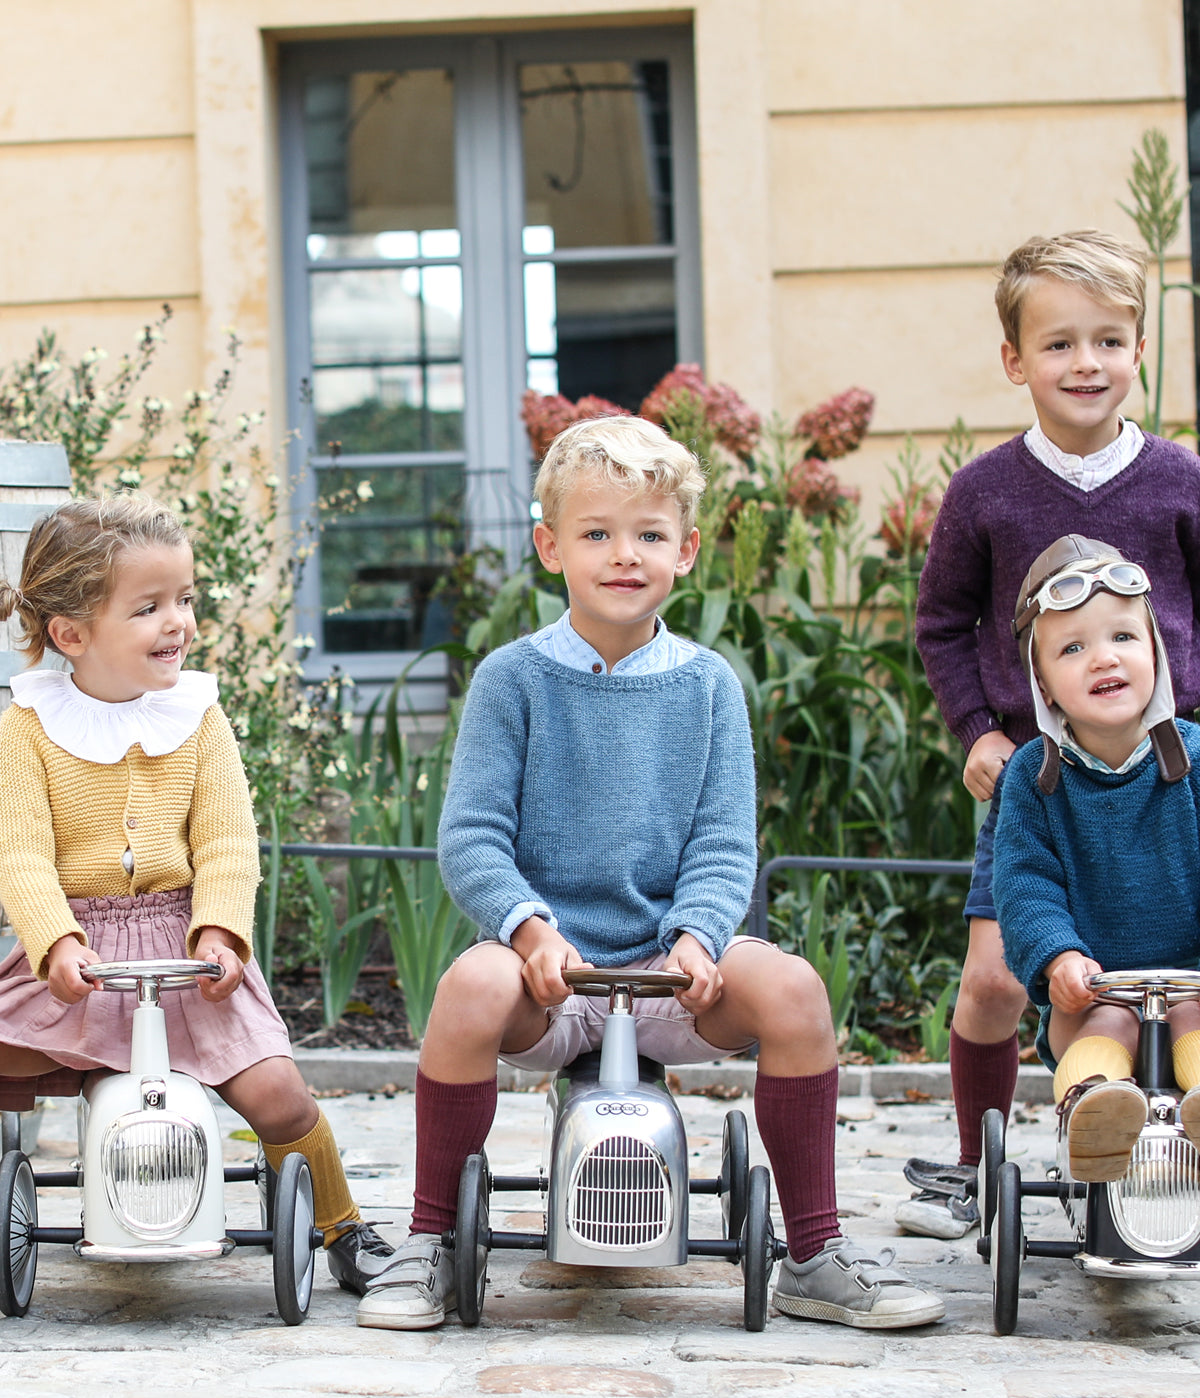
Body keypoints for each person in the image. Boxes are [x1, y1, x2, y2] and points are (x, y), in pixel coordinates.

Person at [356, 415, 944, 1333]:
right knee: (468, 988)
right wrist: (528, 929)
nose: (623, 555)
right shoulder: (512, 680)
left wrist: (697, 939)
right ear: (550, 547)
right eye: (596, 534)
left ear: (687, 550)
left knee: (792, 990)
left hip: (675, 974)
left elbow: (721, 845)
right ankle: (429, 1242)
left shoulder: (706, 684)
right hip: (549, 977)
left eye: (649, 535)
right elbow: (471, 839)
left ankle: (814, 1252)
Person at [0, 492, 394, 1295]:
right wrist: (57, 941)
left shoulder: (198, 719)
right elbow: (22, 855)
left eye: (185, 599)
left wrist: (220, 930)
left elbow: (225, 842)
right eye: (148, 607)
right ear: (71, 635)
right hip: (80, 952)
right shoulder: (28, 729)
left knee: (277, 1094)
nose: (178, 621)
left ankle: (340, 1222)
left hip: (186, 949)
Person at [904, 228, 1200, 1234]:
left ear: (1139, 351)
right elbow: (942, 620)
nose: (1087, 364)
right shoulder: (987, 492)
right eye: (1061, 343)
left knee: (1178, 979)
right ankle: (974, 1166)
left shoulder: (1179, 478)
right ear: (1014, 360)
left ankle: (1178, 1134)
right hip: (1038, 779)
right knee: (994, 979)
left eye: (1109, 341)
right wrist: (976, 731)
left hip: (1171, 772)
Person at [993, 536, 1200, 1177]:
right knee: (1109, 1025)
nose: (1102, 659)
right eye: (1073, 648)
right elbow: (1026, 884)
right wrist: (1056, 955)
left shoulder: (1195, 758)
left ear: (1157, 657)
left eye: (1122, 639)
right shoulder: (1034, 777)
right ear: (1044, 687)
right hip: (1095, 989)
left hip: (1193, 981)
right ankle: (1093, 1113)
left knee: (1196, 1017)